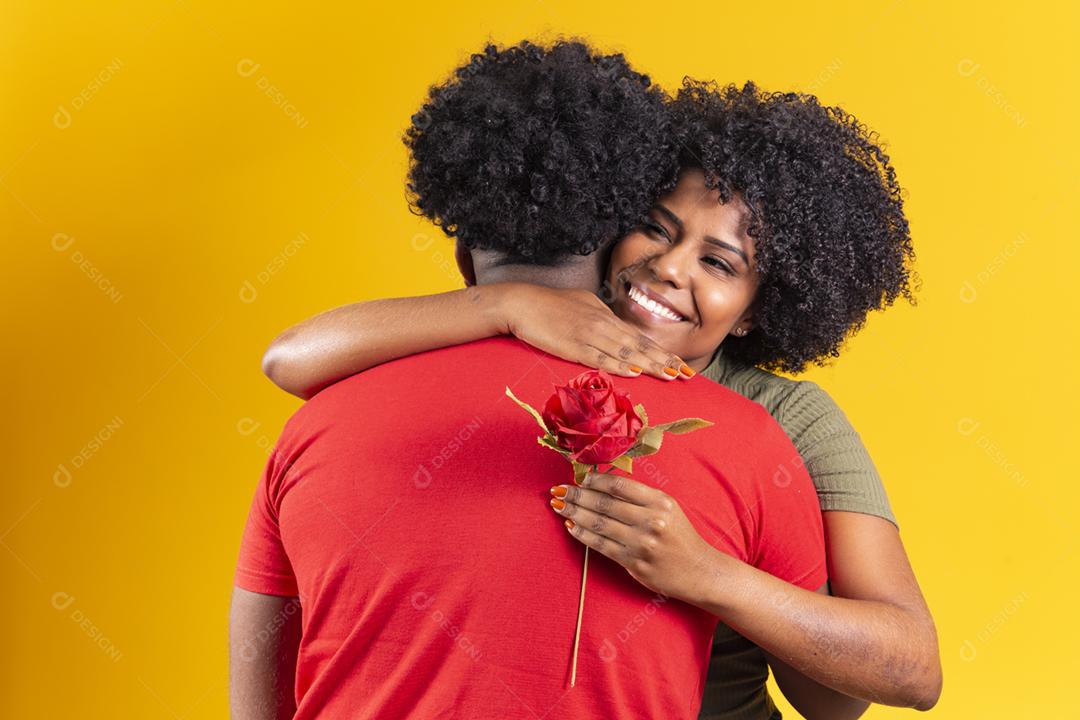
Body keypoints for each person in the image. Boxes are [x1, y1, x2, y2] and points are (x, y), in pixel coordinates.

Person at [261, 44, 942, 717]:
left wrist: (706, 575)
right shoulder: (509, 338)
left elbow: (889, 680)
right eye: (655, 228)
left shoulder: (785, 422)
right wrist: (507, 303)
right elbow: (291, 358)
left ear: (753, 314)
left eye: (720, 264)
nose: (670, 269)